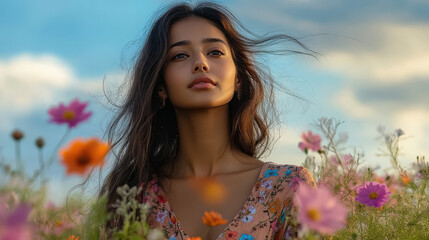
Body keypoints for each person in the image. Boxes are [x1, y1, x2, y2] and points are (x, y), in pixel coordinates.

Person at [100, 2, 316, 239]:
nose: (200, 63)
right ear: (161, 87)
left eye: (215, 52)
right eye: (180, 55)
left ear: (238, 79)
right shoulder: (135, 196)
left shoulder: (290, 187)